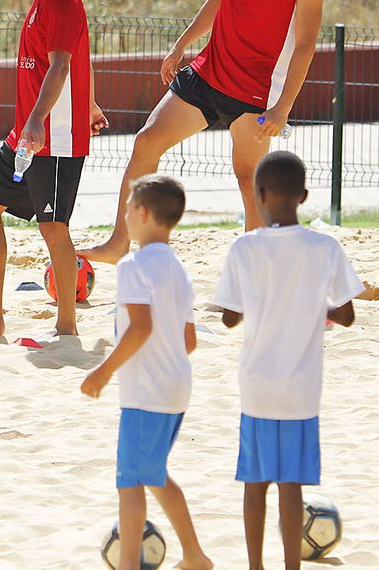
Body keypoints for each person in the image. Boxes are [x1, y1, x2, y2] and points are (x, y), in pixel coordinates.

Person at [83, 0, 326, 266]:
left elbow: (305, 45)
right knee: (146, 143)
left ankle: (257, 269)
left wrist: (282, 108)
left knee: (249, 179)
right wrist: (181, 44)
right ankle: (117, 243)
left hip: (255, 93)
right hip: (208, 72)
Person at [212, 150, 362, 570]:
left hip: (257, 385)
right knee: (291, 485)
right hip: (301, 389)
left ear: (259, 195)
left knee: (255, 482)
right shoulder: (324, 247)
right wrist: (314, 306)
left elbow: (227, 318)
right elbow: (347, 315)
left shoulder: (244, 248)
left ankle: (256, 565)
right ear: (305, 195)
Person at [0, 0, 107, 336]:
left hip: (54, 139)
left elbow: (62, 64)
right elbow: (79, 58)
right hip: (27, 136)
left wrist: (36, 119)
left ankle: (66, 326)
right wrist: (91, 103)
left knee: (53, 228)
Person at [80, 174, 213, 570]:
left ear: (142, 213)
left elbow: (141, 328)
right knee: (153, 475)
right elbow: (188, 341)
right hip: (177, 387)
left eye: (125, 210)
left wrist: (103, 372)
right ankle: (194, 555)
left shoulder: (133, 266)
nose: (124, 218)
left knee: (130, 482)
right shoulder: (179, 270)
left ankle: (128, 566)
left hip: (146, 391)